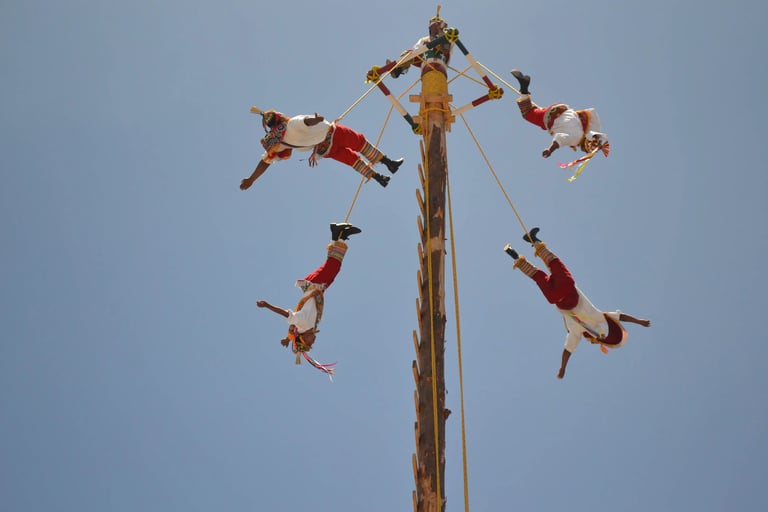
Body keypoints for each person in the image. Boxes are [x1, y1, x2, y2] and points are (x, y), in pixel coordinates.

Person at [503, 227, 650, 379]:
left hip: (566, 288)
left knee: (553, 263)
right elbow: (568, 351)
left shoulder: (592, 320)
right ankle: (515, 254)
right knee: (538, 276)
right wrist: (562, 368)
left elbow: (619, 317)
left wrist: (639, 321)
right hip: (555, 297)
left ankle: (533, 241)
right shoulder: (578, 330)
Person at [256, 222, 362, 376]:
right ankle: (339, 236)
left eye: (310, 343)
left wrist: (267, 305)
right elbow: (293, 331)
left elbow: (287, 315)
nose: (313, 342)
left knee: (333, 266)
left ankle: (338, 234)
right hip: (319, 287)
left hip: (315, 285)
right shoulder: (305, 327)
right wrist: (287, 339)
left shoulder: (303, 324)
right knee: (331, 265)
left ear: (304, 338)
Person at [240, 109, 403, 190]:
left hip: (324, 149)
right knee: (359, 143)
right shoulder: (292, 123)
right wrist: (316, 119)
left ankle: (379, 178)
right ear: (280, 117)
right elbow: (305, 122)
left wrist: (251, 179)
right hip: (333, 133)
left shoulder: (279, 142)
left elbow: (265, 161)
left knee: (351, 159)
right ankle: (389, 163)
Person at [509, 69, 610, 161]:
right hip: (550, 117)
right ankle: (524, 88)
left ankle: (525, 92)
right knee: (528, 114)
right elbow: (560, 139)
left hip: (559, 109)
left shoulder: (581, 128)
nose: (583, 151)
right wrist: (550, 150)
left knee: (540, 120)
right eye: (585, 151)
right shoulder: (575, 139)